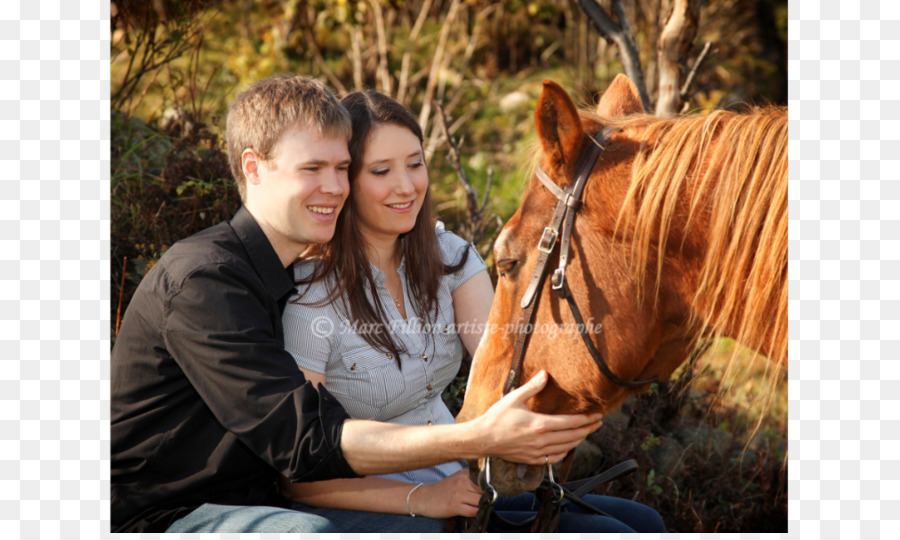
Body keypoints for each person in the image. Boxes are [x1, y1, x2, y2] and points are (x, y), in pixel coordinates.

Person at [109, 75, 603, 534]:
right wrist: (475, 441)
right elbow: (302, 444)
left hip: (261, 499)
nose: (334, 187)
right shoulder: (205, 282)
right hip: (167, 512)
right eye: (312, 169)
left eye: (341, 168)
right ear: (253, 168)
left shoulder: (283, 270)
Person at [279, 89, 666, 533]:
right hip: (369, 504)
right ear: (346, 180)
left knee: (643, 520)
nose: (407, 186)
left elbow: (511, 364)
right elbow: (299, 480)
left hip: (460, 484)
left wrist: (564, 408)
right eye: (382, 170)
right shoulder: (311, 298)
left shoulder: (449, 257)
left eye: (415, 163)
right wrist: (422, 498)